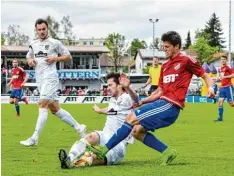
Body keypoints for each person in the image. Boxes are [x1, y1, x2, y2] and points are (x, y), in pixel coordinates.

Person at [87, 31, 215, 166]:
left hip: (170, 106)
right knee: (136, 131)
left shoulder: (186, 60)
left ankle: (103, 150)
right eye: (163, 47)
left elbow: (206, 76)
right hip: (162, 103)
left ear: (176, 46)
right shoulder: (165, 67)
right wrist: (143, 101)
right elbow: (159, 91)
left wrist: (211, 88)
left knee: (130, 118)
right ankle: (168, 152)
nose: (164, 50)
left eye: (167, 47)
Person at [20, 18, 86, 147]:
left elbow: (68, 56)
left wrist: (55, 58)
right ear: (36, 30)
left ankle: (34, 138)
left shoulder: (55, 43)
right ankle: (79, 128)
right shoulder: (33, 44)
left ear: (47, 29)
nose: (42, 31)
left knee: (42, 103)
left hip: (50, 77)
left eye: (44, 29)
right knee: (55, 109)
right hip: (40, 79)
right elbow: (28, 56)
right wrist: (30, 61)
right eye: (39, 30)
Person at [58, 73, 138, 169]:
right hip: (105, 135)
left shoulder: (126, 98)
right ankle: (69, 158)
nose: (107, 88)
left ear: (119, 85)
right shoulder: (113, 100)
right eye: (107, 85)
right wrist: (100, 110)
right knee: (90, 137)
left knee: (94, 157)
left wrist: (128, 87)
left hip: (119, 143)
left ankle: (77, 162)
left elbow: (136, 99)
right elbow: (111, 109)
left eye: (110, 85)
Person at [214, 56, 234, 122]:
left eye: (224, 59)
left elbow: (233, 75)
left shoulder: (228, 67)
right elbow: (219, 78)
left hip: (228, 87)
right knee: (220, 102)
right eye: (222, 59)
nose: (223, 60)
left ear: (226, 60)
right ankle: (220, 118)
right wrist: (217, 79)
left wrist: (225, 77)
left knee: (231, 104)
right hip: (222, 88)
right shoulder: (220, 69)